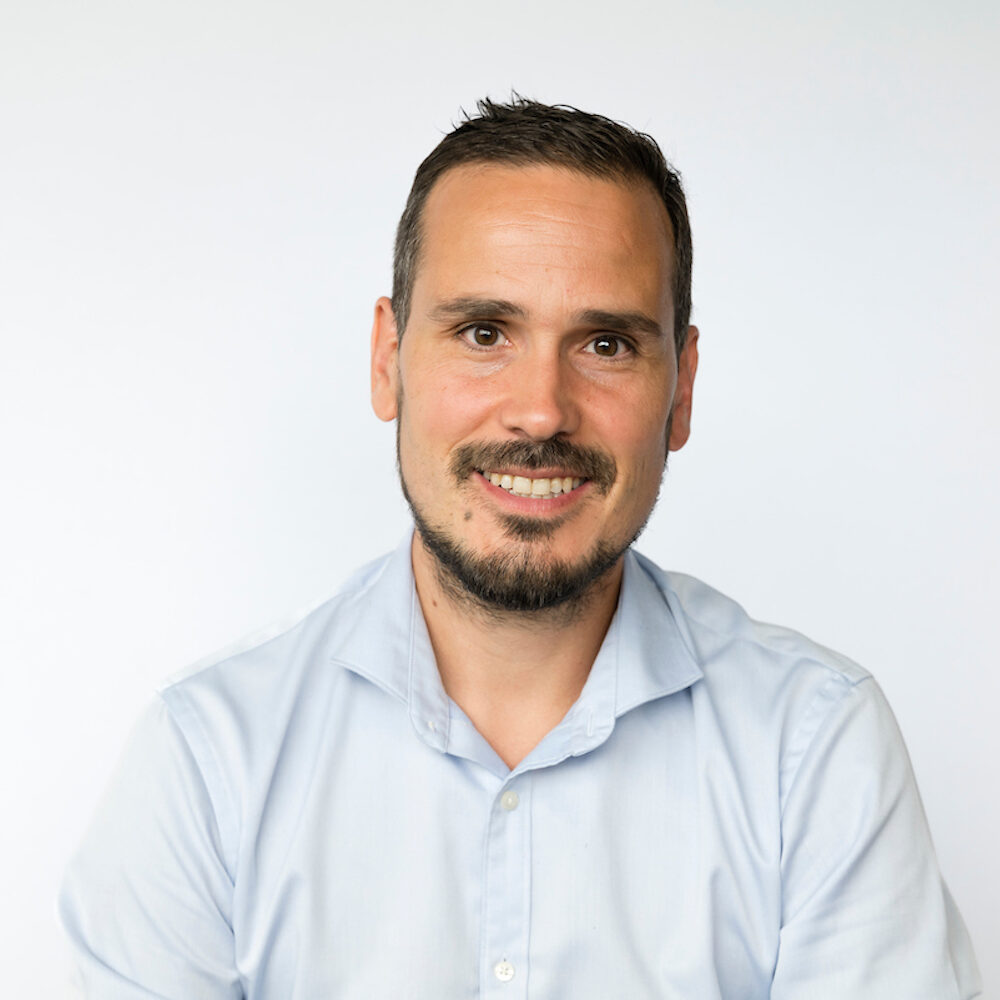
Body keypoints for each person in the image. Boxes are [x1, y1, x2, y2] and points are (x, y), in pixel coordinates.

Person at [60, 97, 981, 998]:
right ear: (388, 361)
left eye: (607, 344)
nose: (542, 409)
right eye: (484, 333)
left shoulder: (814, 747)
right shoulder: (209, 755)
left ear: (682, 388)